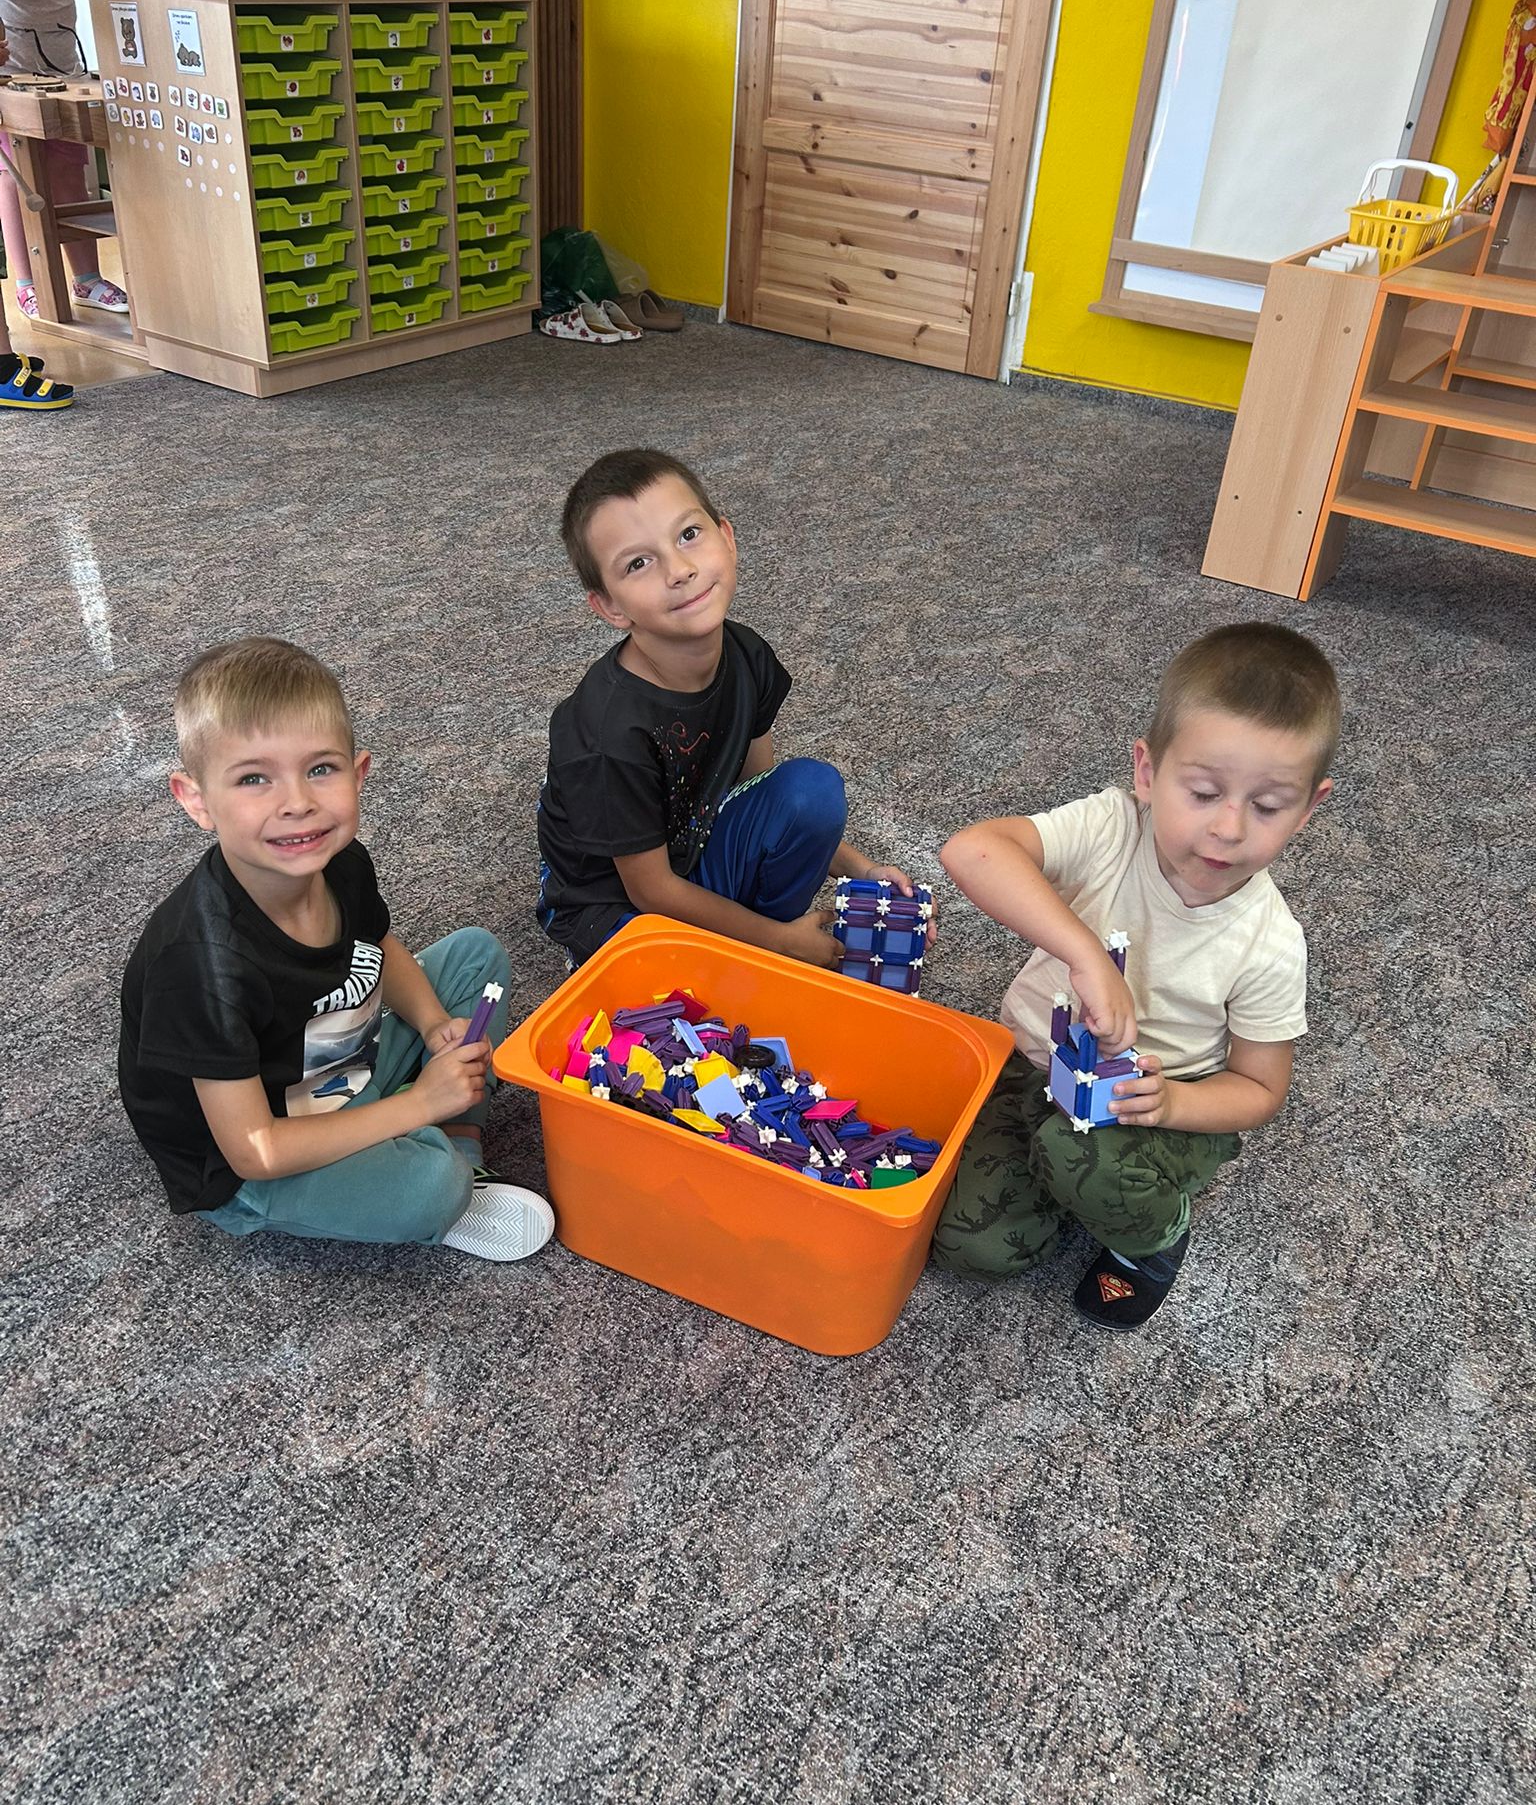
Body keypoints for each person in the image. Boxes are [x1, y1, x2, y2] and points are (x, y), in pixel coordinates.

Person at [931, 622, 1340, 1330]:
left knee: (1076, 1152)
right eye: (1203, 792)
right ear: (1147, 773)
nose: (1229, 828)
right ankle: (1069, 1185)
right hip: (1030, 1069)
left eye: (1268, 806)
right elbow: (973, 850)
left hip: (1151, 1107)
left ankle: (1153, 1237)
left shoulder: (1270, 944)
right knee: (971, 1249)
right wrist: (1087, 955)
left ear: (1308, 808)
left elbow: (1260, 1088)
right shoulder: (1112, 827)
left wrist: (1171, 1105)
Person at [119, 637, 555, 1262]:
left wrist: (433, 1024)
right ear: (196, 799)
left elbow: (378, 947)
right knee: (434, 1189)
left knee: (475, 957)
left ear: (358, 773)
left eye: (320, 769)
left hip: (339, 1063)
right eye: (254, 778)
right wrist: (419, 1103)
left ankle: (455, 1139)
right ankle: (439, 1163)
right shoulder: (199, 964)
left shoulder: (340, 861)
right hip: (253, 1156)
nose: (297, 803)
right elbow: (255, 1151)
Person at [536, 446, 914, 967]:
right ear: (610, 606)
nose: (679, 570)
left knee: (810, 791)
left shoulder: (747, 655)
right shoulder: (607, 734)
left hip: (692, 857)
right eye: (639, 563)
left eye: (688, 534)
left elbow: (756, 793)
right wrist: (779, 941)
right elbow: (650, 890)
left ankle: (755, 946)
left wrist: (862, 870)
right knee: (671, 989)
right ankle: (759, 950)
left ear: (727, 539)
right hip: (612, 905)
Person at [0, 0, 128, 319]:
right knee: (16, 175)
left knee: (70, 166)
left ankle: (87, 278)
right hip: (11, 61)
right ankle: (28, 283)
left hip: (61, 61)